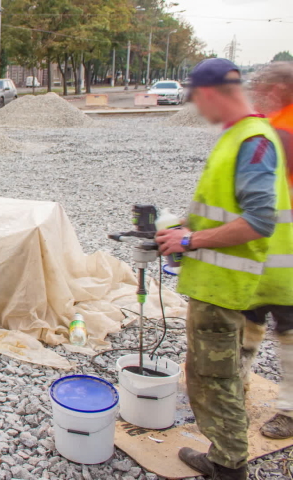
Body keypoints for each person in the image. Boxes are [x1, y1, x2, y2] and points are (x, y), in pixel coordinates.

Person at [156, 58, 293, 480]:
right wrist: (184, 228)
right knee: (212, 375)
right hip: (218, 281)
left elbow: (257, 221)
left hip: (226, 284)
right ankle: (225, 457)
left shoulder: (254, 140)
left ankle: (228, 466)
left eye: (198, 99)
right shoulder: (238, 137)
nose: (197, 109)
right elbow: (225, 208)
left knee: (215, 382)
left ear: (212, 92)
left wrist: (189, 241)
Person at [238, 62, 293, 440]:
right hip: (265, 254)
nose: (253, 88)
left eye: (258, 83)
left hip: (284, 254)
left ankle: (290, 412)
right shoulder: (271, 126)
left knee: (288, 331)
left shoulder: (282, 133)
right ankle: (236, 386)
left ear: (277, 90)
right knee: (250, 318)